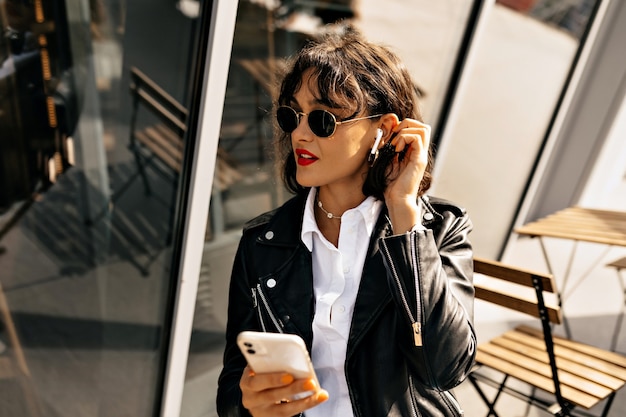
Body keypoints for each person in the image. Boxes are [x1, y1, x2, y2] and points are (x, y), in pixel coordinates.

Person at [216, 25, 475, 417]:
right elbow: (233, 385)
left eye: (323, 119)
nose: (300, 134)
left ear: (383, 130)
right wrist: (248, 402)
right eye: (292, 115)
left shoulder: (437, 230)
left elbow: (446, 368)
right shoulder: (263, 242)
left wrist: (405, 214)